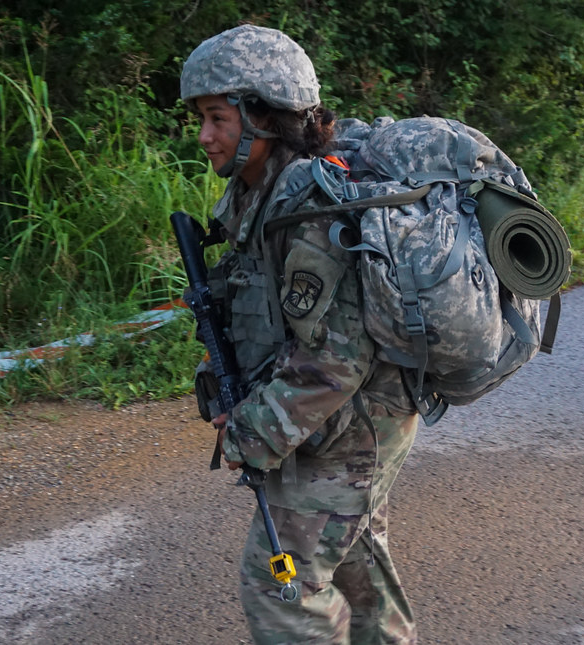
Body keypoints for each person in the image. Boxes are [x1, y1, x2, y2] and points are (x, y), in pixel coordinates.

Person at [180, 24, 420, 644]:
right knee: (360, 574)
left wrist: (249, 429)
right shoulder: (255, 195)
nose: (204, 136)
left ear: (263, 117)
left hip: (355, 424)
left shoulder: (307, 207)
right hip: (340, 424)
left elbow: (334, 364)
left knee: (279, 584)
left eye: (216, 118)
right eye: (200, 120)